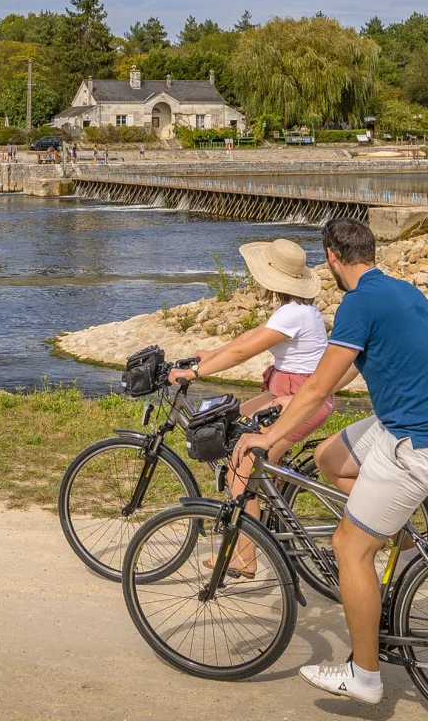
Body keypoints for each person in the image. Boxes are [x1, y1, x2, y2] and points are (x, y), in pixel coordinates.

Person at [233, 218, 428, 705]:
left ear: (332, 258)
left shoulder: (359, 302)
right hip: (399, 421)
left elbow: (320, 386)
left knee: (349, 548)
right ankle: (402, 549)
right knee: (329, 457)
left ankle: (364, 676)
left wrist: (270, 435)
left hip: (412, 441)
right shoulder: (403, 291)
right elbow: (336, 378)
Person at [170, 238, 334, 575]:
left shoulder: (293, 314)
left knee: (240, 462)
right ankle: (263, 508)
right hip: (286, 394)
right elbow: (249, 339)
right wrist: (210, 357)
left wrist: (194, 372)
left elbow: (245, 353)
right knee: (233, 425)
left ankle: (246, 557)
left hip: (299, 400)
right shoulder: (297, 309)